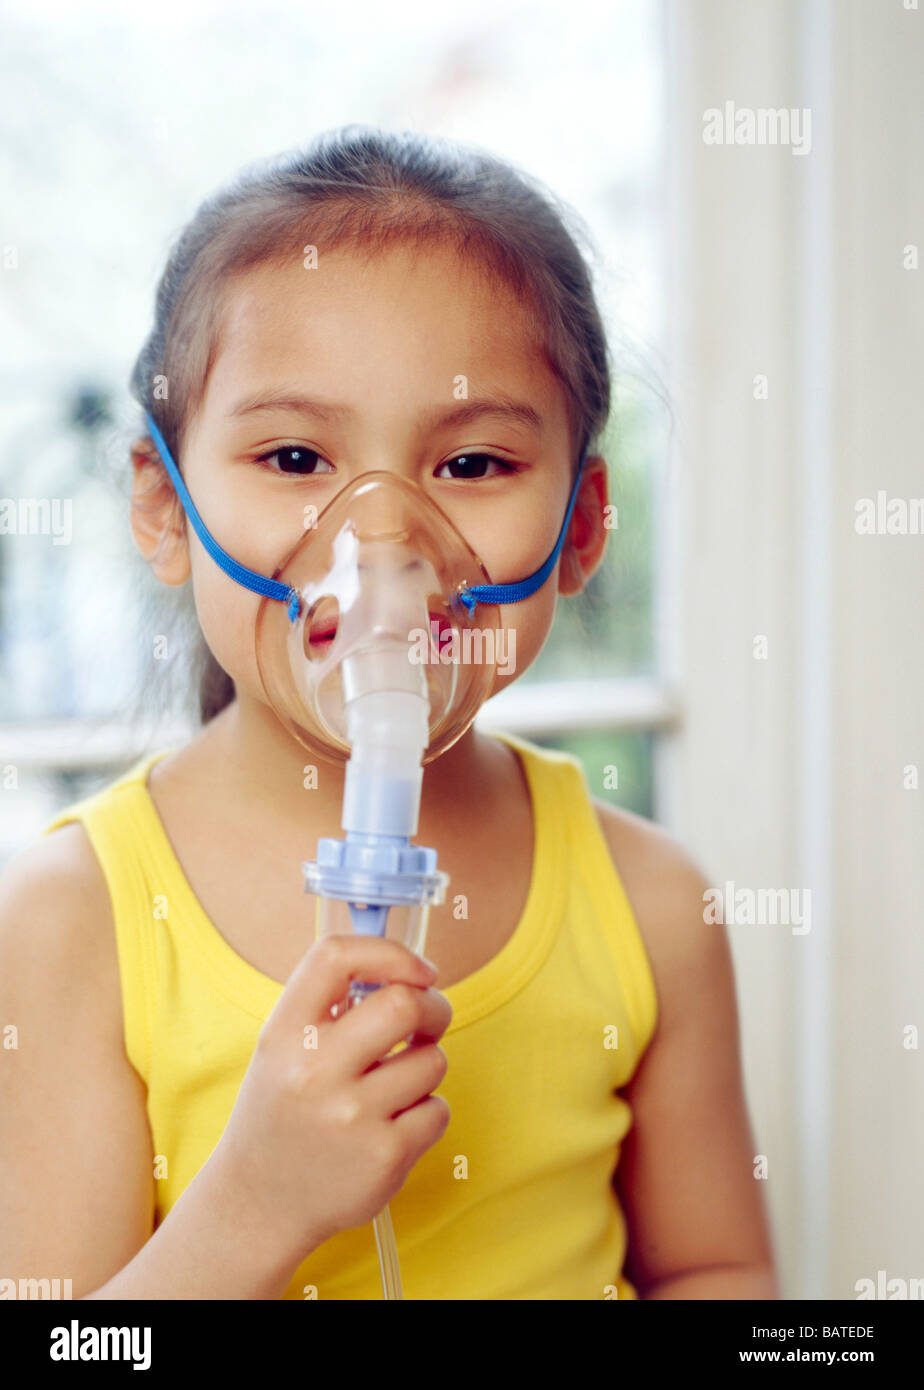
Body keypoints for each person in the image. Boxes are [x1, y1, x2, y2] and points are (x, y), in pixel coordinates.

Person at [0, 127, 778, 1300]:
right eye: (296, 454)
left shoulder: (653, 906)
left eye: (470, 467)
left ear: (578, 527)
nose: (379, 540)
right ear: (165, 509)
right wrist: (252, 1205)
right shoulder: (76, 926)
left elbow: (718, 1271)